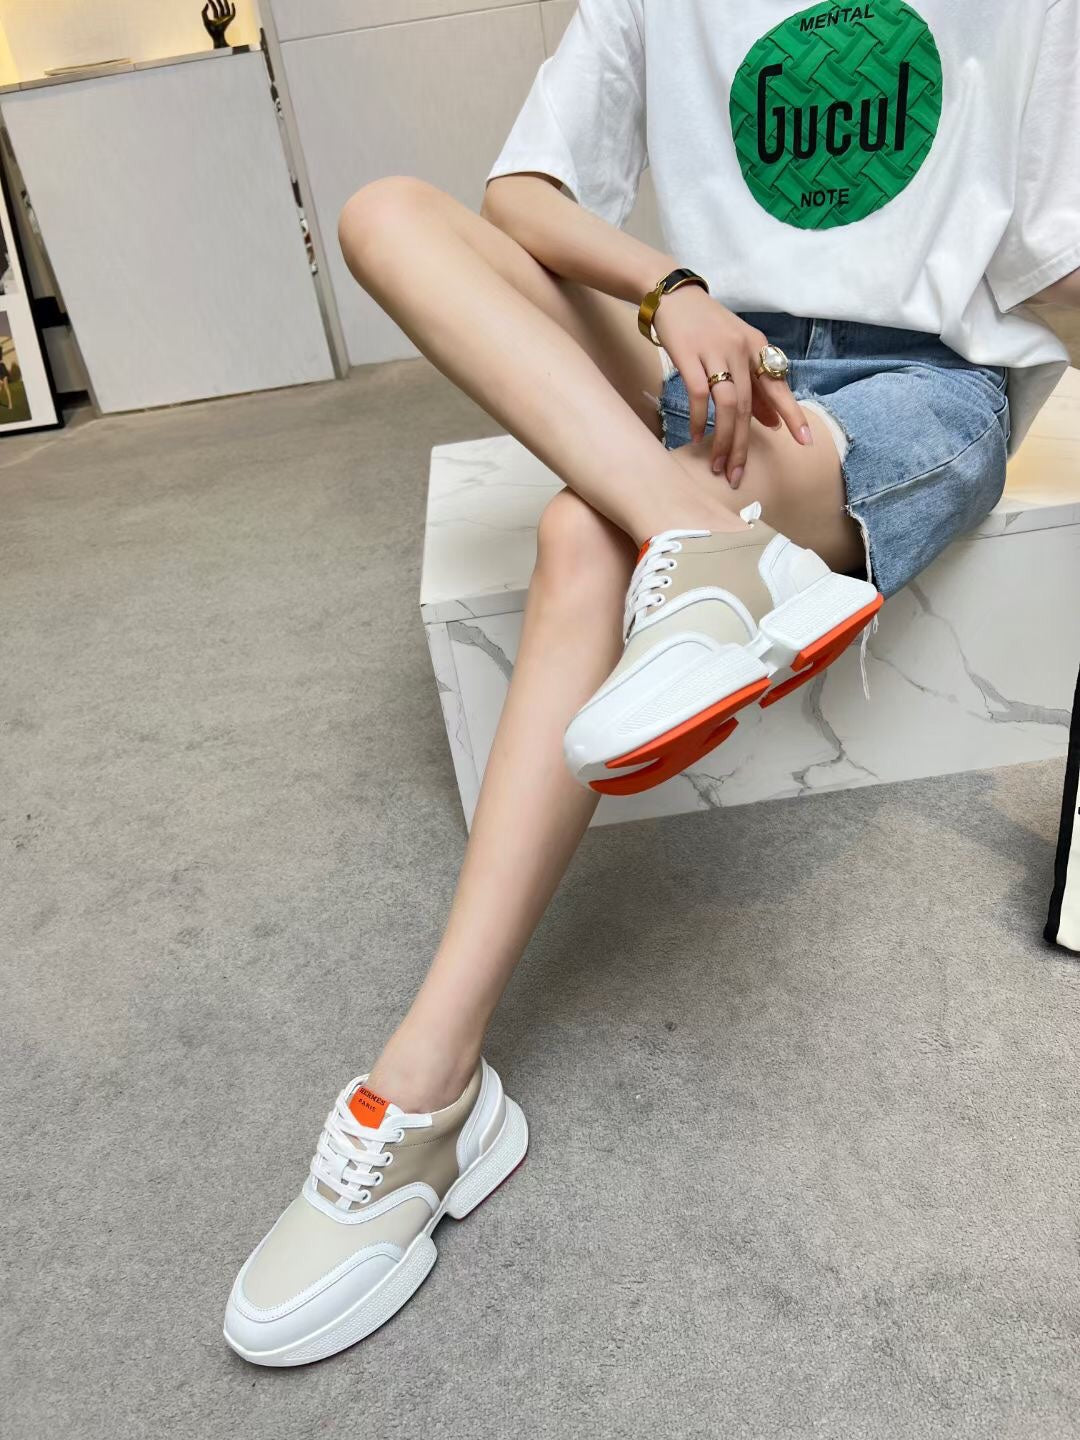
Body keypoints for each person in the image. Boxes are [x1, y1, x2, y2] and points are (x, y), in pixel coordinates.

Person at [223, 0, 1080, 1365]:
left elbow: (1052, 263)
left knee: (581, 534)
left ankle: (425, 1093)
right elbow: (521, 193)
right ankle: (700, 538)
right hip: (704, 351)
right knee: (389, 212)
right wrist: (671, 289)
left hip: (916, 384)